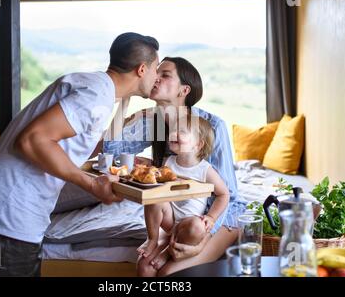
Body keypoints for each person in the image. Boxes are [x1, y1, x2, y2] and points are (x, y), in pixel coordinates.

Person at [0, 32, 160, 276]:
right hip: (2, 216)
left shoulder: (98, 89)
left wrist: (115, 142)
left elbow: (67, 143)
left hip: (10, 216)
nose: (157, 76)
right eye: (156, 68)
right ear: (141, 69)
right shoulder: (96, 96)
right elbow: (33, 140)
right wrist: (91, 183)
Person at [103, 57, 247, 276]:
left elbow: (229, 196)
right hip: (178, 216)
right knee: (144, 267)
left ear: (184, 90)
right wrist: (126, 100)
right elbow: (111, 151)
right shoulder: (156, 124)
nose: (155, 77)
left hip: (220, 219)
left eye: (165, 74)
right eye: (155, 72)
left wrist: (202, 240)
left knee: (167, 273)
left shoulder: (212, 126)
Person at [136, 115, 230, 276]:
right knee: (154, 198)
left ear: (198, 144)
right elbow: (157, 178)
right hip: (170, 219)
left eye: (181, 132)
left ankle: (167, 252)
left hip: (189, 223)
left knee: (197, 227)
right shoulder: (169, 162)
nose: (173, 134)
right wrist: (146, 167)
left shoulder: (205, 170)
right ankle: (152, 239)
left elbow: (224, 194)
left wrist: (212, 217)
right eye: (173, 130)